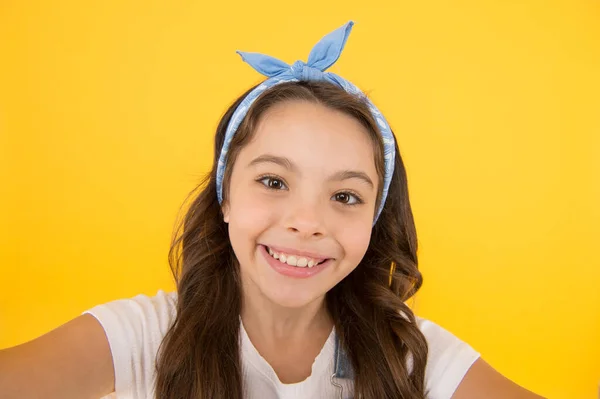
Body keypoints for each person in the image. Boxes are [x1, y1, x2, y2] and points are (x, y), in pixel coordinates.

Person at [0, 21, 545, 399]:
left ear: (374, 219)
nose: (306, 222)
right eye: (273, 181)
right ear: (225, 197)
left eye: (346, 196)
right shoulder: (143, 336)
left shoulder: (406, 353)